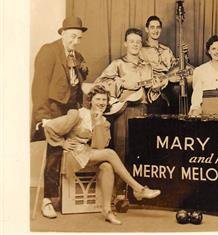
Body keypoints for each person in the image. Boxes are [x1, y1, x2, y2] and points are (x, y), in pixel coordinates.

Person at [42, 84, 161, 225]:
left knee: (107, 166)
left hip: (87, 153)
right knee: (110, 153)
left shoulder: (104, 122)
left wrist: (98, 122)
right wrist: (62, 143)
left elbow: (98, 147)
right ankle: (138, 189)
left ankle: (106, 211)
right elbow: (50, 126)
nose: (101, 103)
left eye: (104, 100)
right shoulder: (77, 114)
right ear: (90, 100)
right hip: (73, 154)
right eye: (98, 99)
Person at [31, 16, 89, 218]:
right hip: (53, 110)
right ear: (62, 33)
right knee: (55, 153)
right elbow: (39, 86)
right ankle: (47, 199)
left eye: (79, 38)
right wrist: (42, 117)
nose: (76, 41)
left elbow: (78, 82)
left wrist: (82, 69)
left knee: (75, 148)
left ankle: (67, 197)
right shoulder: (49, 51)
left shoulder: (78, 55)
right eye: (72, 36)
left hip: (72, 110)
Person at [94, 28, 159, 195]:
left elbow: (150, 96)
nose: (135, 45)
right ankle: (119, 193)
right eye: (132, 41)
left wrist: (156, 89)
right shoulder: (117, 64)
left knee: (140, 149)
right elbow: (100, 83)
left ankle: (137, 191)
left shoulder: (147, 67)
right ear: (125, 44)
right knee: (122, 149)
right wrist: (120, 83)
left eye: (138, 42)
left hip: (142, 109)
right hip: (122, 110)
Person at [140, 15, 189, 115]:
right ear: (147, 29)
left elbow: (176, 66)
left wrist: (184, 55)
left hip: (170, 84)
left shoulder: (166, 50)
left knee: (182, 88)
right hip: (153, 85)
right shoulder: (141, 50)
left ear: (161, 29)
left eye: (158, 27)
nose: (155, 30)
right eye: (152, 27)